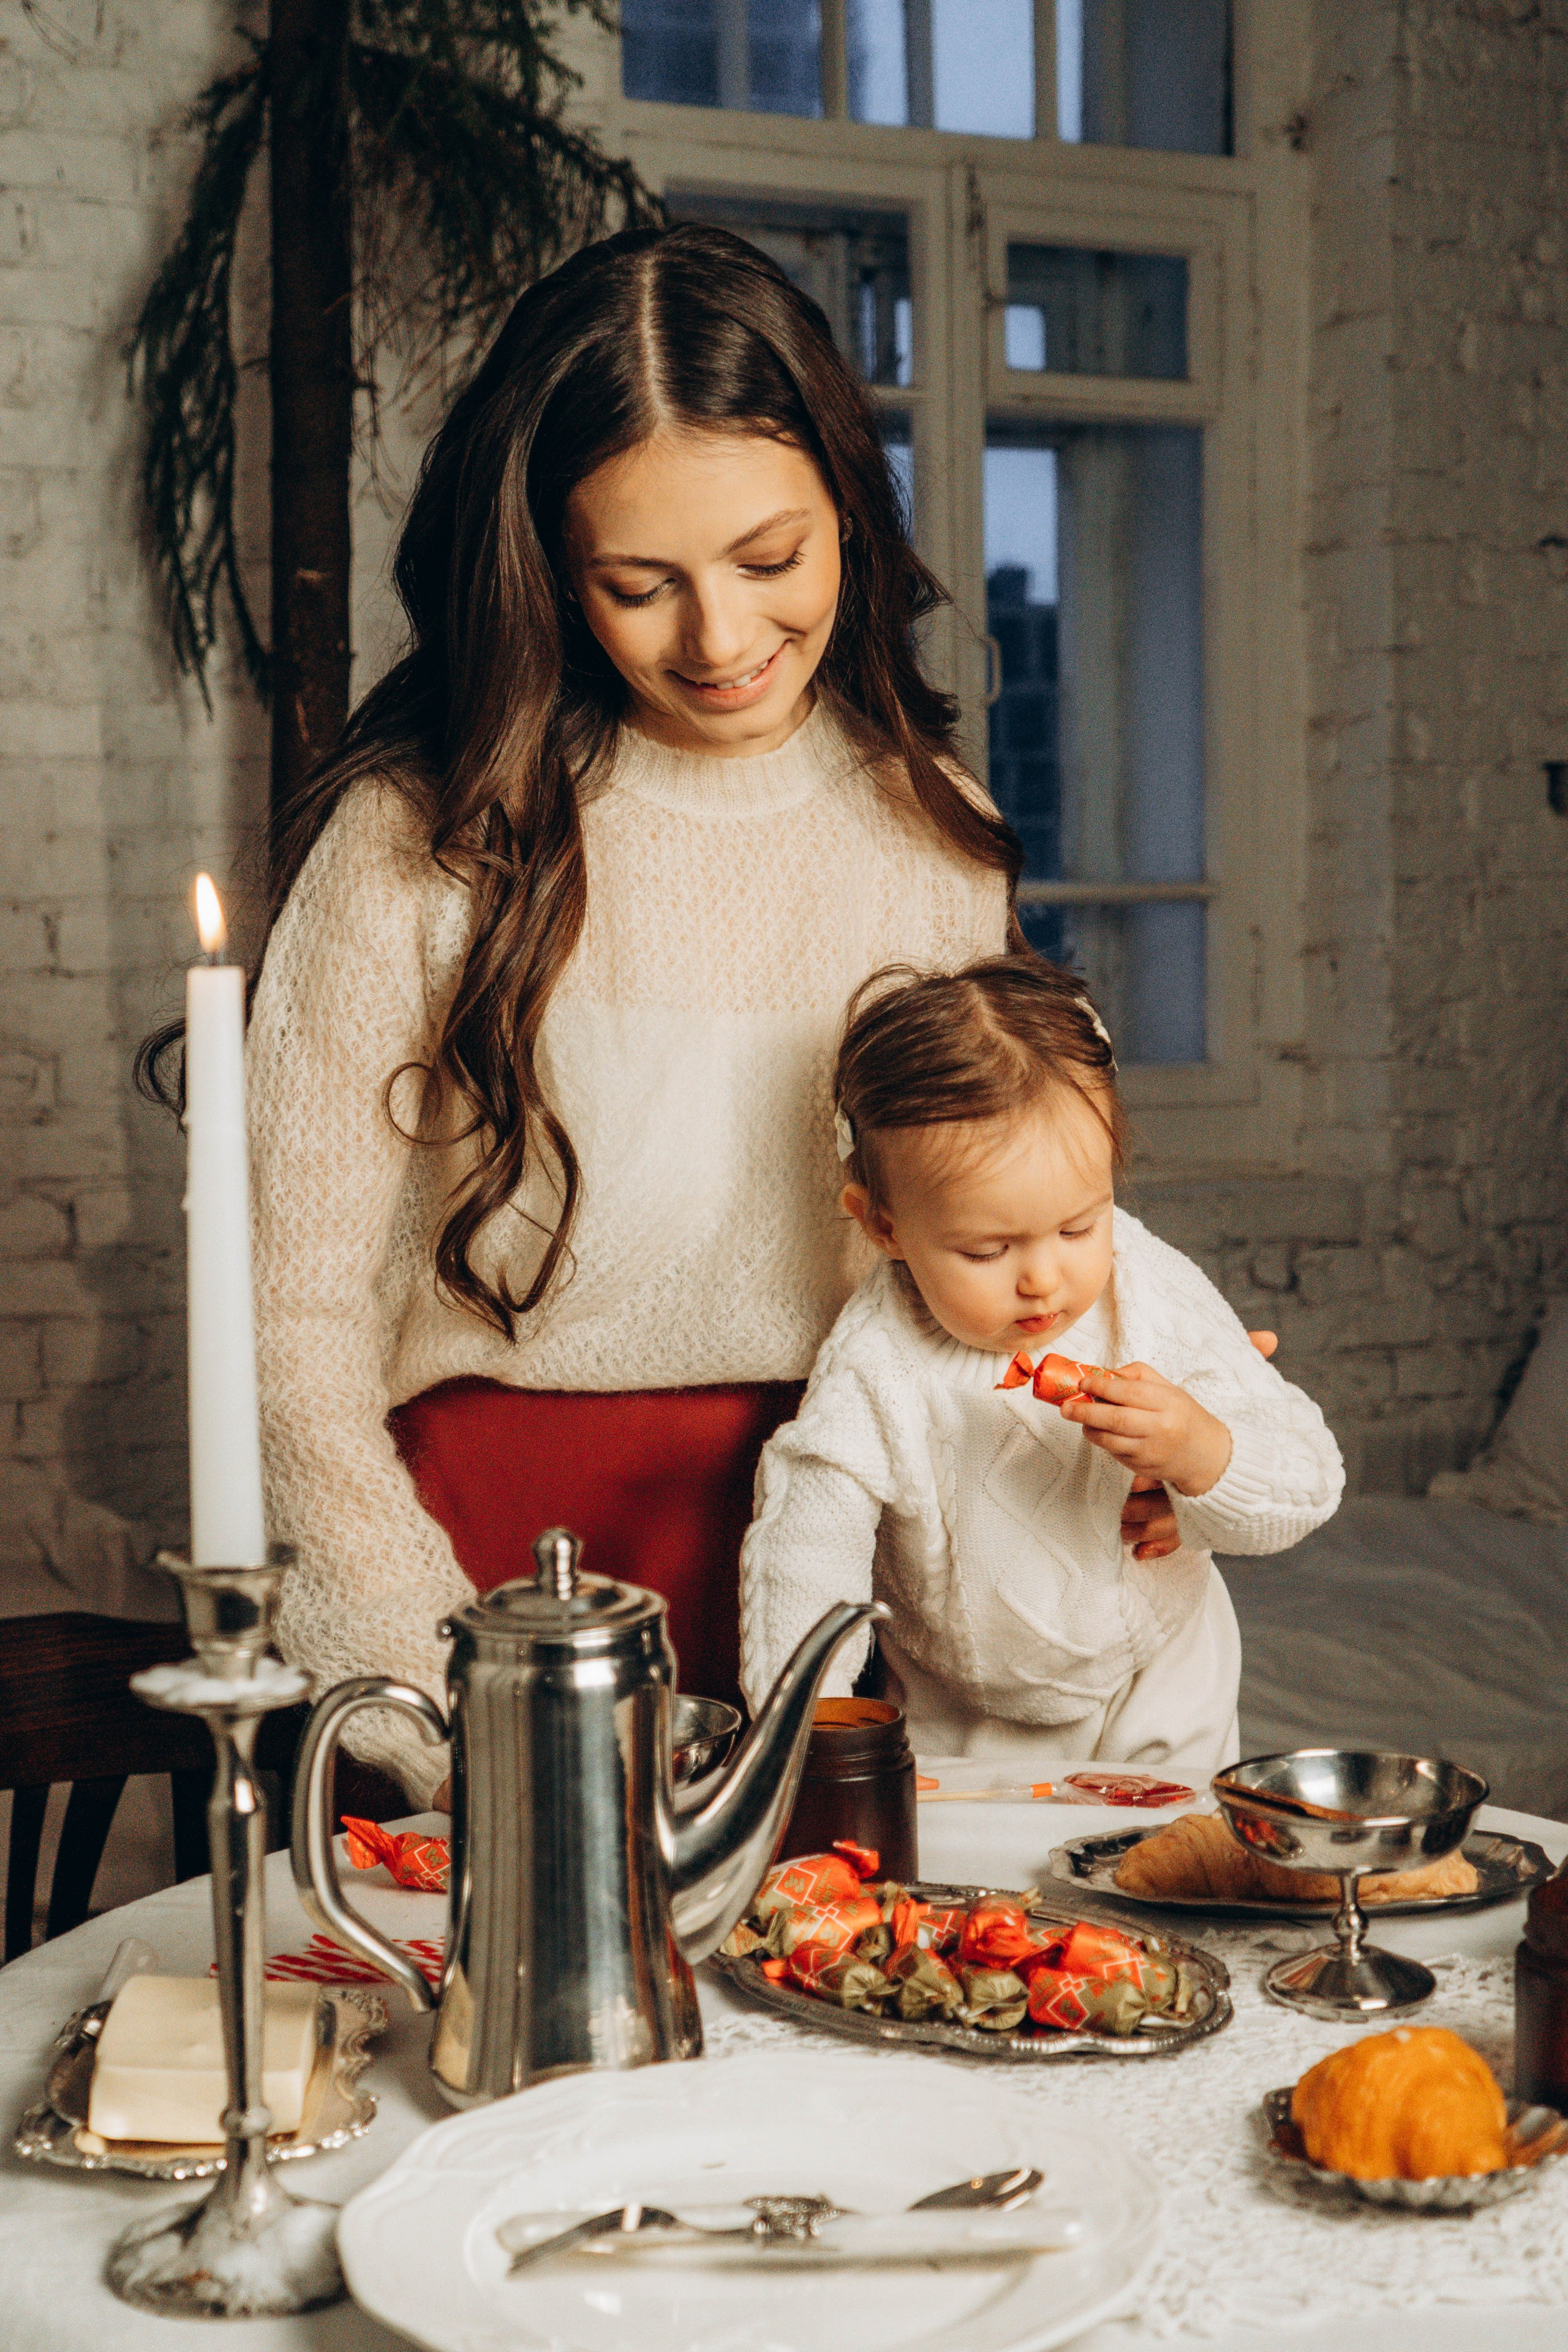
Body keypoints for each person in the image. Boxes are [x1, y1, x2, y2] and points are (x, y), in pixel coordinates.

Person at [230, 223, 1022, 1803]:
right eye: (639, 585)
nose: (719, 642)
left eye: (769, 560)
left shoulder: (932, 832)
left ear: (850, 512)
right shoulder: (419, 837)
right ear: (545, 570)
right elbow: (285, 1336)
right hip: (476, 1591)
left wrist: (1112, 1421)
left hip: (837, 1577)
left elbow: (973, 1250)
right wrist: (450, 1713)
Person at [738, 958, 1344, 1780]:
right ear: (883, 1226)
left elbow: (1307, 1481)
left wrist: (1201, 1453)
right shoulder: (877, 1364)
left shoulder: (1149, 1289)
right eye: (987, 1250)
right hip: (959, 1707)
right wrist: (806, 1732)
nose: (1043, 1280)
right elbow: (808, 1552)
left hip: (1162, 1675)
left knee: (1168, 1854)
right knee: (968, 1861)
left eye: (1079, 1227)